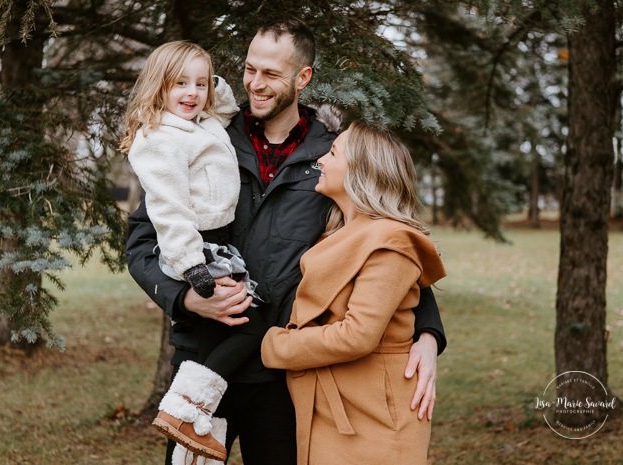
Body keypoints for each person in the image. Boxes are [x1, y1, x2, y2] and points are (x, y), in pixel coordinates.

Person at [126, 18, 447, 465]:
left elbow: (387, 237)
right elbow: (142, 242)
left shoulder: (335, 157)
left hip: (281, 373)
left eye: (271, 74)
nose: (255, 84)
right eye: (250, 69)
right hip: (201, 359)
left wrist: (428, 332)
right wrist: (186, 300)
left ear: (303, 78)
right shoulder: (203, 136)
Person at [261, 121, 445, 465]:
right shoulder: (338, 232)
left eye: (332, 153)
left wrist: (276, 346)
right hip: (333, 407)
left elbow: (357, 335)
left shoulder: (391, 241)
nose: (321, 160)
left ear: (360, 170)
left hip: (374, 414)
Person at [120, 41, 267, 462]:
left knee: (226, 333)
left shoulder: (202, 124)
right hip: (195, 248)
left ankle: (194, 431)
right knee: (248, 326)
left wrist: (211, 80)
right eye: (180, 83)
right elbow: (168, 209)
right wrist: (192, 267)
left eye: (200, 84)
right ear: (159, 86)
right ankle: (187, 411)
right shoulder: (159, 139)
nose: (192, 93)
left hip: (216, 241)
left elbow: (224, 110)